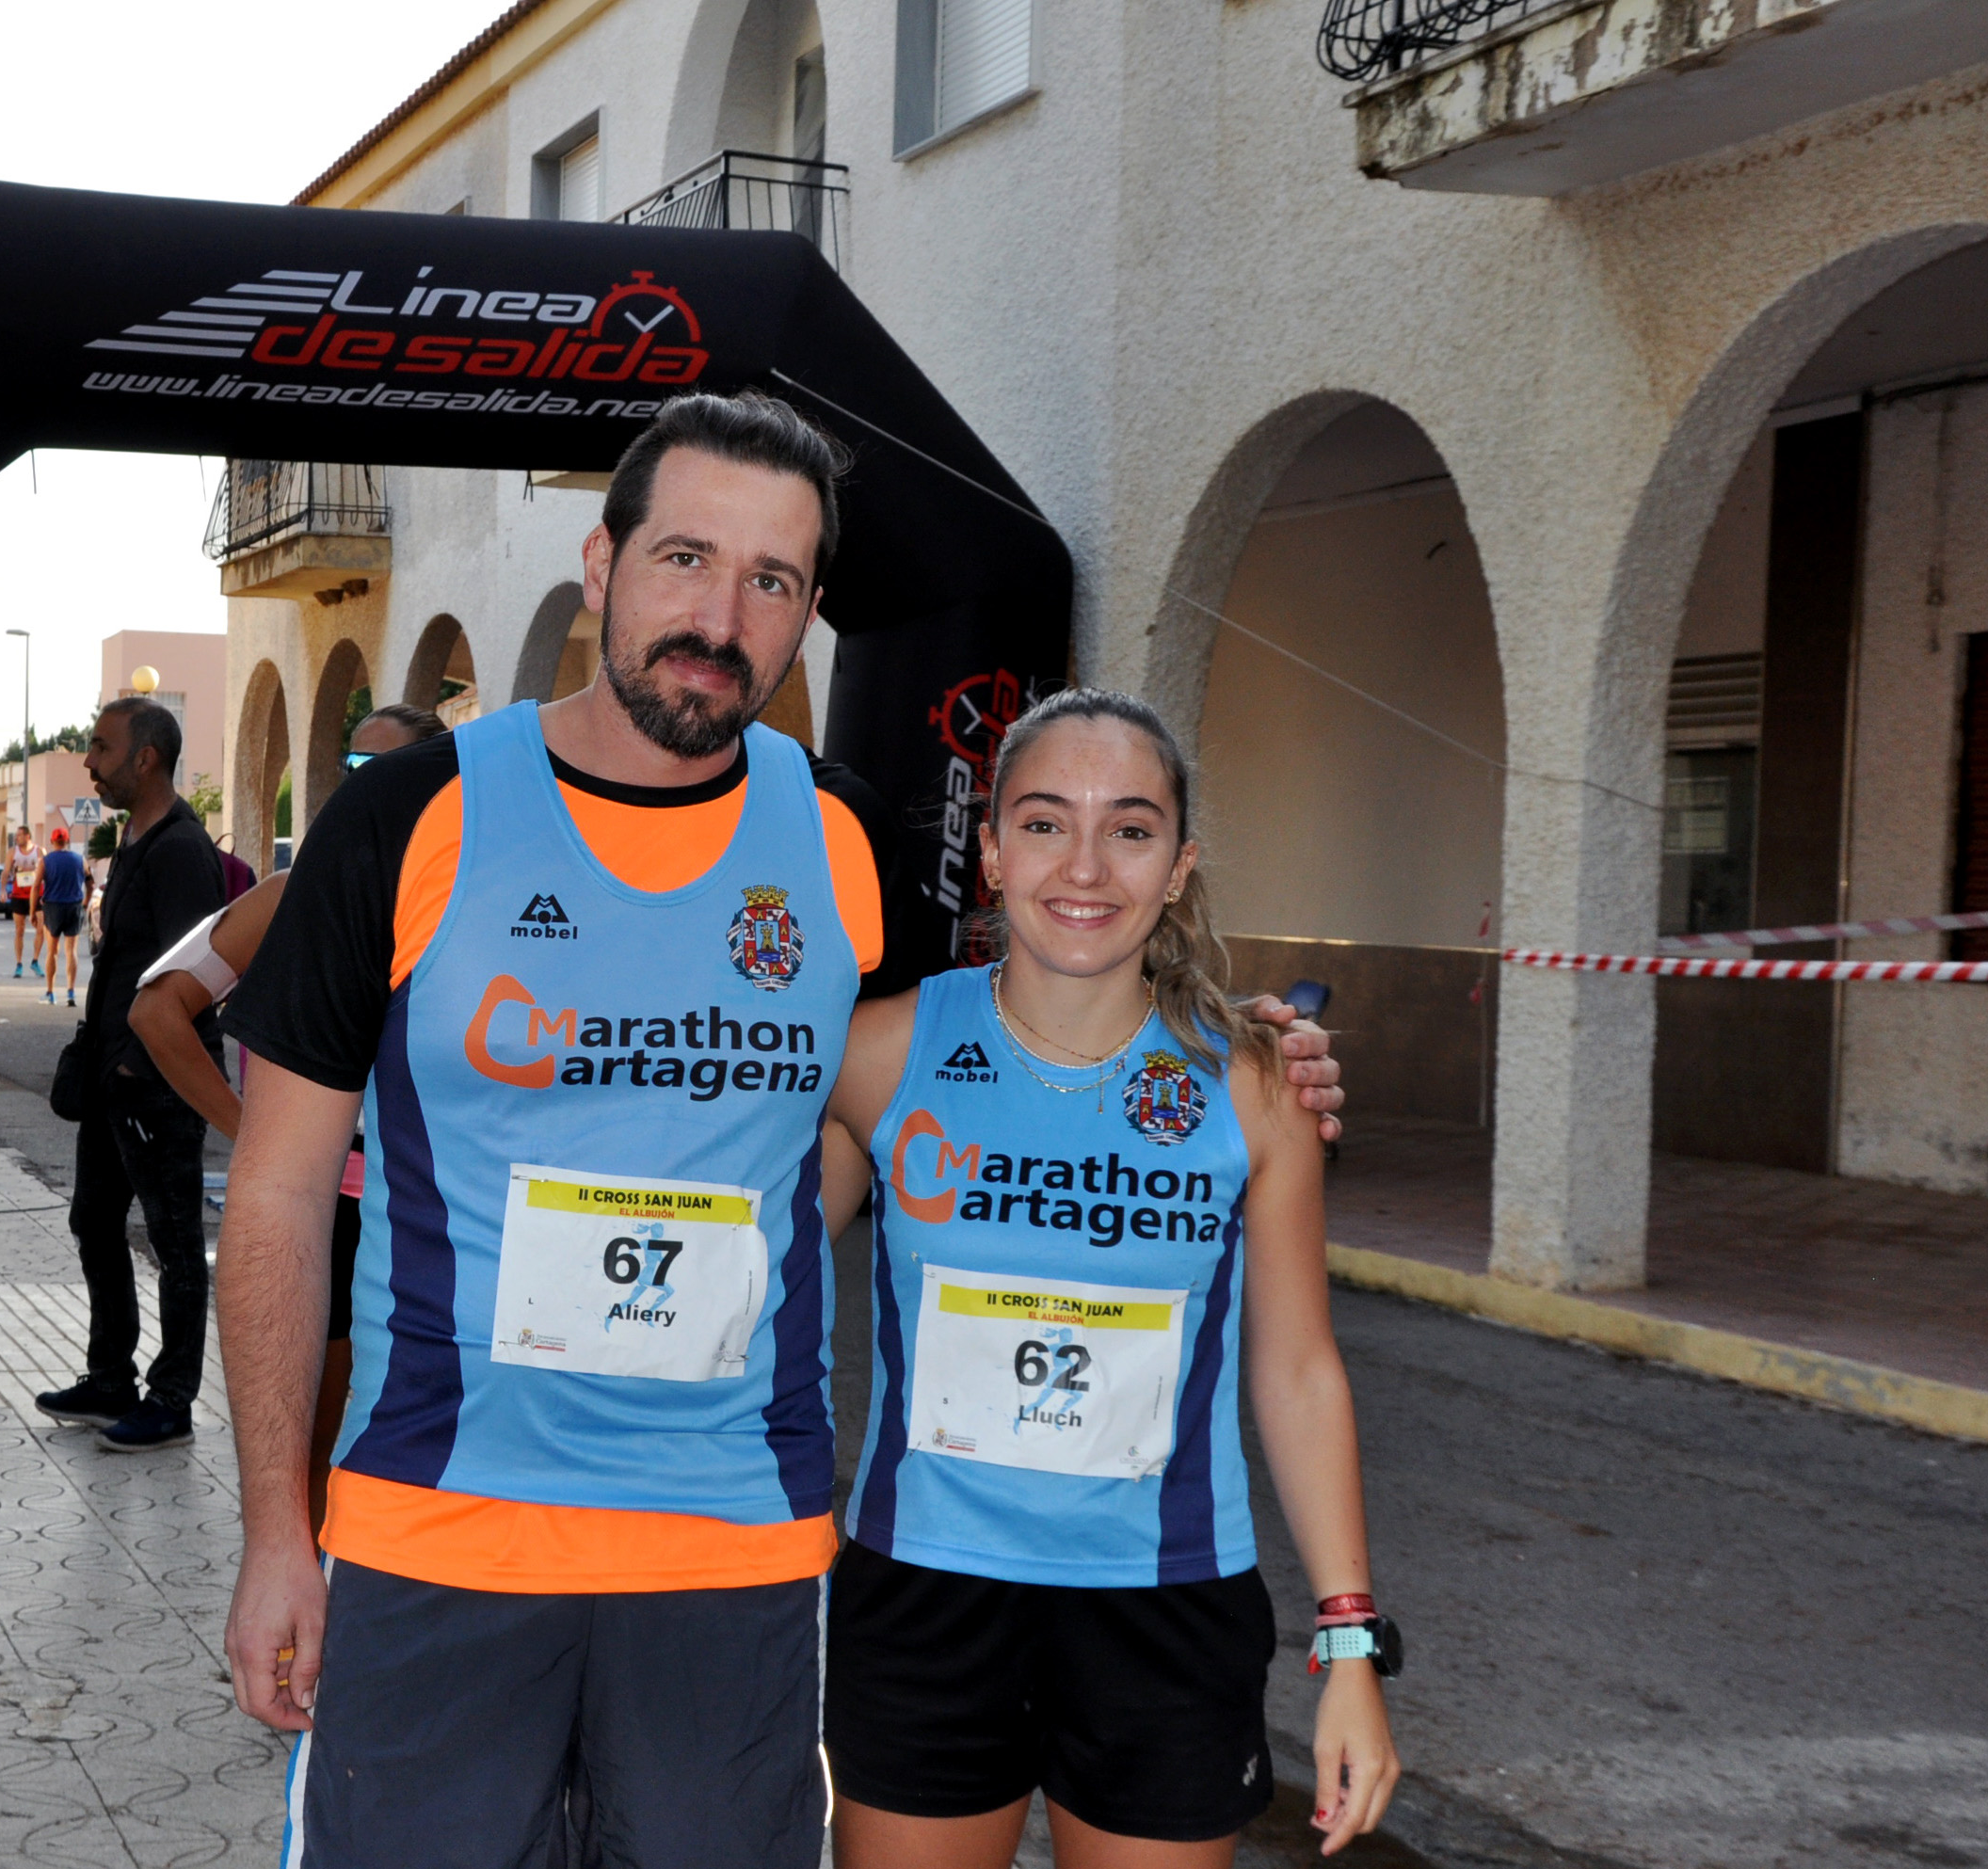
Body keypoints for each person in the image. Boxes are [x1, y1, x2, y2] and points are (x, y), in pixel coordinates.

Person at [213, 394, 1348, 1867]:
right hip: (437, 1526)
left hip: (734, 1546)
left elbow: (991, 1045)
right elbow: (278, 1194)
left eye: (772, 580)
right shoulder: (409, 817)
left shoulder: (840, 835)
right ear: (601, 563)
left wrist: (1227, 1048)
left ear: (809, 614)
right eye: (685, 558)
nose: (720, 616)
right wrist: (272, 1530)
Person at [821, 688, 1399, 1868]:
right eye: (1044, 823)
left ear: (1178, 866)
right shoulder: (874, 1054)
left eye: (1129, 829)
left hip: (1165, 1611)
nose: (1084, 866)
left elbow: (1297, 1371)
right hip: (924, 1602)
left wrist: (1350, 1642)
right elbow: (745, 1278)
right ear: (991, 851)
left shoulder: (1253, 1085)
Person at [126, 703, 445, 1534]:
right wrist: (251, 1131)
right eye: (350, 769)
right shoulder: (293, 894)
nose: (358, 789)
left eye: (380, 770)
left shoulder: (471, 902)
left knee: (420, 1455)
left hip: (438, 1218)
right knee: (317, 1469)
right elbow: (157, 1011)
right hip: (329, 1216)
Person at [32, 697, 233, 1452]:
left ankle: (171, 1399)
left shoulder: (180, 849)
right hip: (113, 1079)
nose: (89, 761)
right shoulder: (131, 839)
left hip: (156, 1081)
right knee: (93, 1222)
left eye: (100, 747)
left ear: (145, 758)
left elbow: (202, 972)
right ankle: (110, 1376)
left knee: (174, 1239)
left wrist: (136, 1060)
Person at [37, 825, 88, 1006]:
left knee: (52, 951)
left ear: (52, 841)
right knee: (71, 951)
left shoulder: (46, 861)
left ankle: (50, 993)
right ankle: (71, 992)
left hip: (53, 907)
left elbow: (36, 886)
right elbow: (90, 882)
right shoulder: (80, 860)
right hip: (74, 906)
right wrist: (85, 903)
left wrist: (33, 910)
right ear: (67, 841)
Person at [6, 823, 42, 976]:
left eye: (19, 835)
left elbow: (46, 871)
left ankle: (35, 961)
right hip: (19, 895)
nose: (16, 838)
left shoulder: (39, 851)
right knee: (19, 930)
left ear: (28, 836)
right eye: (16, 835)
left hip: (38, 894)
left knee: (40, 928)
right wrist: (2, 890)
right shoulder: (12, 852)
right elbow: (5, 872)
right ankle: (19, 963)